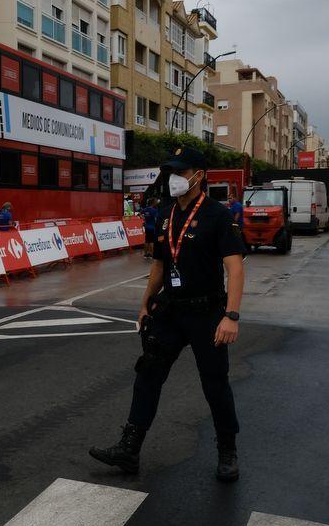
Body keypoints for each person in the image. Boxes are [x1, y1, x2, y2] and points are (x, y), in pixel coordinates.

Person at [90, 147, 246, 482]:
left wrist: (231, 315)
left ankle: (227, 451)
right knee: (148, 374)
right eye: (171, 171)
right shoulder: (165, 213)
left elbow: (235, 268)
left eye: (181, 171)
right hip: (171, 311)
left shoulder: (217, 216)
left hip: (208, 313)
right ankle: (129, 449)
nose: (174, 178)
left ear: (198, 176)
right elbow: (160, 264)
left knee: (215, 383)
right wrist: (146, 302)